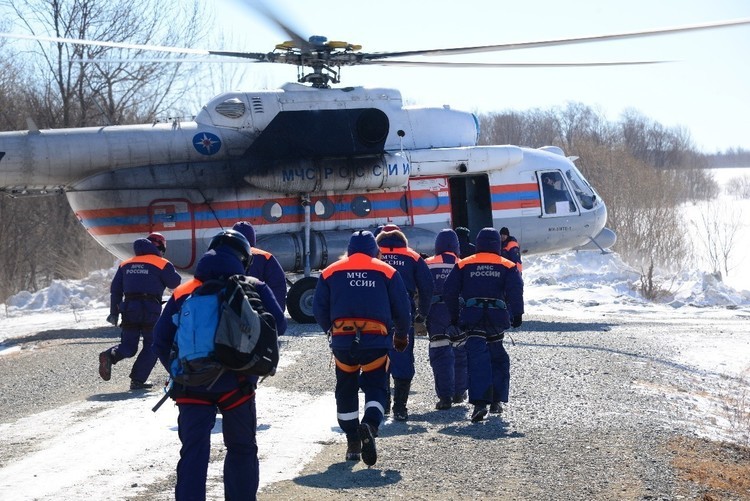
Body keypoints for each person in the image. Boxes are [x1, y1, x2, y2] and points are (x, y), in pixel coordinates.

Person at [152, 229, 287, 501]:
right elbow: (279, 325)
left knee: (193, 453)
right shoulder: (253, 285)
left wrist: (179, 371)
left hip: (191, 385)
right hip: (237, 384)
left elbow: (159, 339)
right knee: (241, 448)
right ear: (243, 258)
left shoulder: (184, 291)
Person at [312, 230, 411, 466]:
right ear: (374, 251)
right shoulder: (387, 271)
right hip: (376, 341)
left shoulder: (330, 272)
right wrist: (401, 334)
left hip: (343, 342)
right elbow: (402, 306)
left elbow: (318, 308)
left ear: (350, 249)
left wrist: (331, 331)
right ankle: (370, 424)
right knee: (376, 385)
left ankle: (352, 441)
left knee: (345, 388)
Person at [443, 227, 524, 422]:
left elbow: (449, 291)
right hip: (497, 319)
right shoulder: (507, 264)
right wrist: (517, 314)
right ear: (497, 243)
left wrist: (454, 318)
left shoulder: (464, 264)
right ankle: (496, 400)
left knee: (477, 359)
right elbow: (515, 290)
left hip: (473, 317)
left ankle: (480, 404)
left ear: (478, 243)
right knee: (498, 357)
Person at [99, 233, 181, 390]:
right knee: (152, 344)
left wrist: (114, 313)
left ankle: (110, 355)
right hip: (150, 310)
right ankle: (137, 380)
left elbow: (115, 290)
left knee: (129, 346)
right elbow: (174, 282)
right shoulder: (162, 263)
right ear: (161, 248)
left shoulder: (126, 264)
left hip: (129, 309)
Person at [376, 224, 434, 421]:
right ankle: (400, 407)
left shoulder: (374, 255)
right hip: (403, 313)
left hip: (377, 314)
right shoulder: (413, 256)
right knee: (402, 357)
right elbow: (427, 287)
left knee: (378, 357)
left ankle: (382, 404)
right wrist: (422, 313)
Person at [424, 229, 468, 410]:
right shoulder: (464, 264)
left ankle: (445, 398)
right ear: (456, 246)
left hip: (436, 315)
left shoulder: (427, 263)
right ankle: (459, 393)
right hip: (458, 313)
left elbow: (422, 289)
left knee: (440, 355)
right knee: (461, 354)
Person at [232, 221, 287, 312]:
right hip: (257, 311)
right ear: (253, 238)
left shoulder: (224, 255)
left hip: (230, 312)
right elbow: (278, 285)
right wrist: (276, 314)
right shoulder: (265, 257)